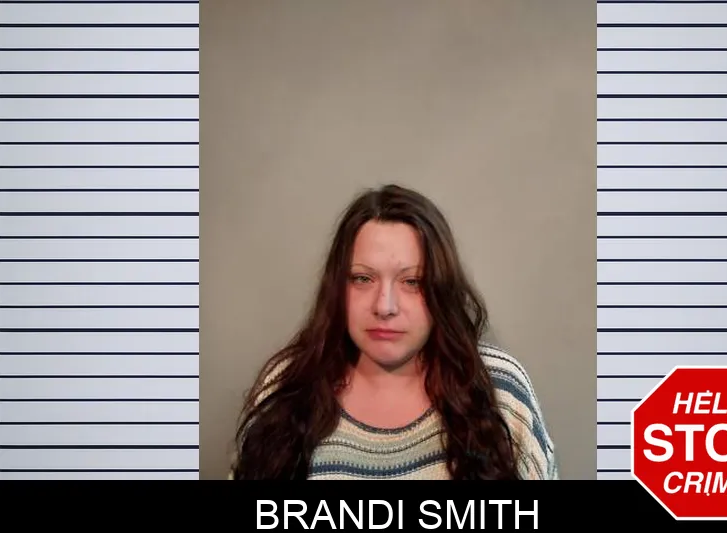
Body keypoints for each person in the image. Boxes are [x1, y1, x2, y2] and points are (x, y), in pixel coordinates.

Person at [230, 184, 559, 480]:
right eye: (362, 279)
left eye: (412, 281)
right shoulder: (284, 386)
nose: (384, 306)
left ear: (441, 289)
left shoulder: (500, 389)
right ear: (337, 288)